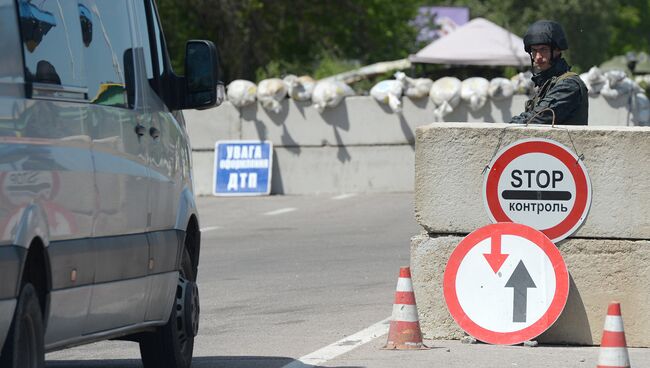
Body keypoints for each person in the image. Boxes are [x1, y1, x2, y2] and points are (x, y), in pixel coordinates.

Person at [509, 20, 588, 125]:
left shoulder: (568, 85)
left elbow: (537, 119)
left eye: (543, 50)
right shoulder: (547, 83)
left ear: (557, 50)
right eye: (534, 50)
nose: (538, 57)